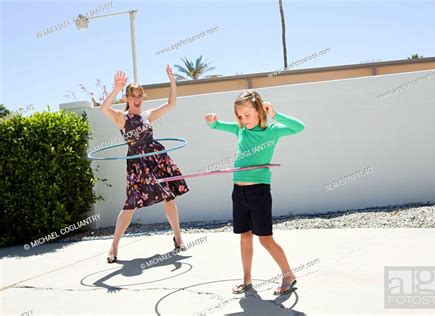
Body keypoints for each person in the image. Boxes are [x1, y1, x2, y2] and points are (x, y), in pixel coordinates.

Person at [204, 89, 305, 295]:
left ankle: (289, 274)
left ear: (260, 111)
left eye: (247, 115)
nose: (243, 120)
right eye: (240, 116)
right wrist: (212, 121)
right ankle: (247, 280)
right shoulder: (241, 130)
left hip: (258, 191)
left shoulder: (272, 131)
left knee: (265, 239)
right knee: (245, 236)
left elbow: (299, 127)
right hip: (238, 192)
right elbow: (218, 125)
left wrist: (276, 114)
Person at [100, 65, 189, 263]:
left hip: (157, 160)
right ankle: (113, 246)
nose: (137, 99)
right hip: (137, 165)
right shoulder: (122, 118)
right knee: (130, 205)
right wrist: (116, 88)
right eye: (133, 96)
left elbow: (171, 104)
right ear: (127, 99)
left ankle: (178, 237)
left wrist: (172, 81)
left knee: (169, 197)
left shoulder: (147, 116)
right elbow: (103, 108)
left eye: (140, 95)